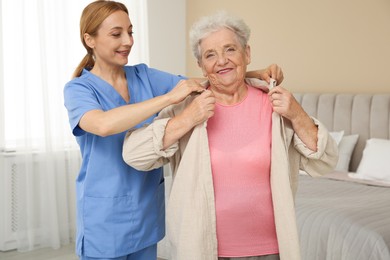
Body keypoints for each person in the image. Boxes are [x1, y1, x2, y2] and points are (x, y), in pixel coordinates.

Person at [63, 1, 284, 259]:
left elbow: (202, 83)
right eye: (116, 34)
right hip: (105, 218)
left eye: (130, 32)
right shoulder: (79, 89)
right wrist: (167, 99)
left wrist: (249, 71)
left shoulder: (143, 75)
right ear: (89, 39)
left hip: (145, 212)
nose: (127, 41)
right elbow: (102, 124)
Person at [122, 11, 338, 260]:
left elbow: (326, 162)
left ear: (247, 54)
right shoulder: (186, 107)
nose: (222, 60)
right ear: (201, 66)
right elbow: (134, 155)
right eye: (210, 55)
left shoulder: (275, 104)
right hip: (203, 250)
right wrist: (188, 119)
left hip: (271, 250)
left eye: (230, 50)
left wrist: (298, 114)